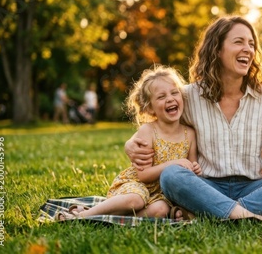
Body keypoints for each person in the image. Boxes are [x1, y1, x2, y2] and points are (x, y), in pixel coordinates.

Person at [125, 16, 262, 221]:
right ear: (217, 49)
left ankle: (213, 211)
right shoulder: (188, 97)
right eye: (238, 42)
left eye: (251, 44)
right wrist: (129, 145)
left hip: (255, 185)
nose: (248, 49)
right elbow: (157, 125)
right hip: (205, 185)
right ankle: (249, 215)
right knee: (171, 175)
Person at [57, 65, 201, 220]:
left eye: (174, 93)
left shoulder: (190, 133)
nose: (170, 99)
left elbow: (190, 171)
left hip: (161, 195)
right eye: (161, 97)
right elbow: (144, 175)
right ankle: (84, 215)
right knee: (135, 200)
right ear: (150, 108)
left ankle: (112, 216)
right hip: (136, 186)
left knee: (160, 210)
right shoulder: (148, 130)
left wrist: (195, 168)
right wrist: (175, 163)